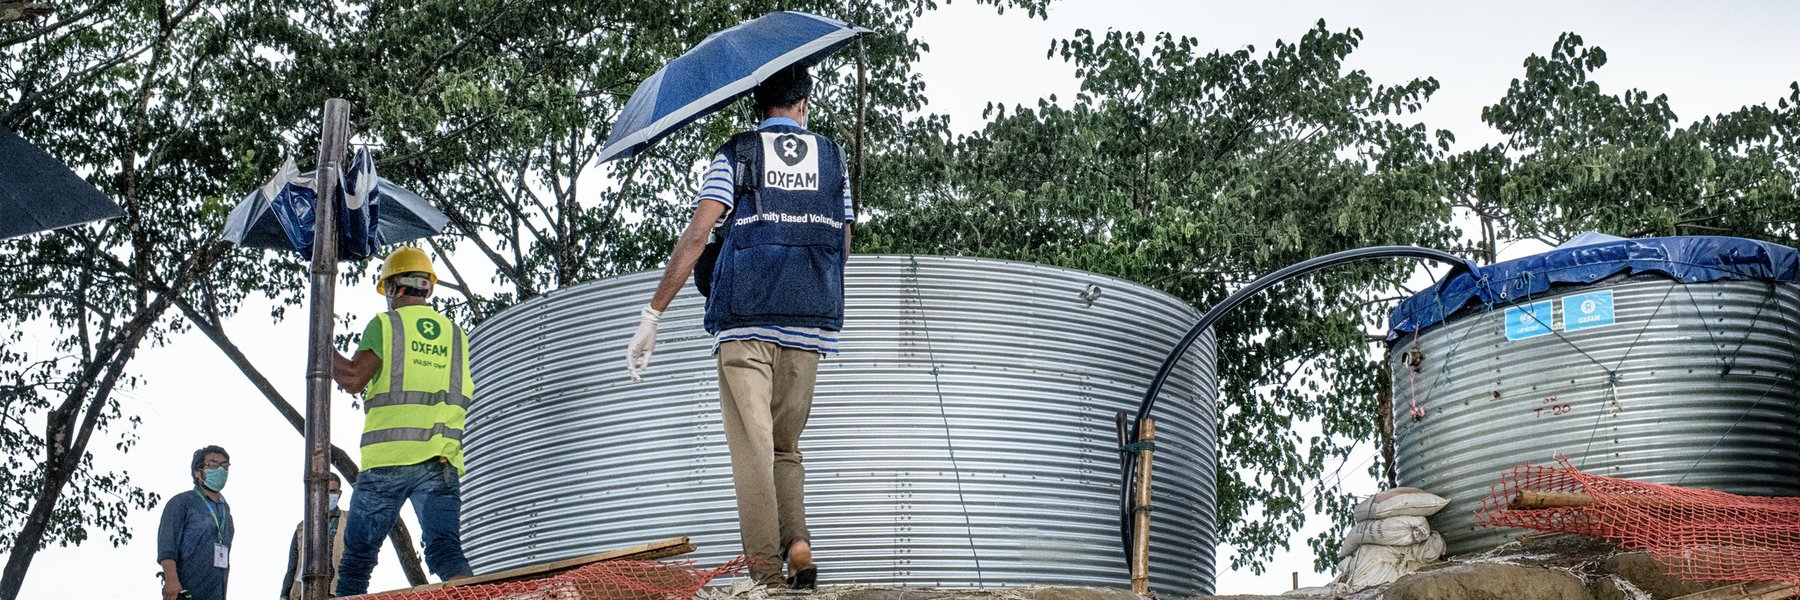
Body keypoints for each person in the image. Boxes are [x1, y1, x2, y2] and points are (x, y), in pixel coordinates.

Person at [625, 65, 853, 589]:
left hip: (745, 323)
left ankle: (767, 578)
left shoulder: (736, 154)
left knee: (752, 451)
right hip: (809, 322)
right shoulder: (832, 156)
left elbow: (699, 233)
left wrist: (652, 314)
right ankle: (797, 543)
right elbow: (841, 245)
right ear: (803, 103)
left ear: (758, 105)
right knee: (784, 448)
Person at [330, 246, 475, 596]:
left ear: (394, 288)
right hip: (439, 463)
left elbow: (353, 379)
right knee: (445, 551)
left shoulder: (386, 325)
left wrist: (321, 346)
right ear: (427, 287)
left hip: (388, 463)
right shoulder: (456, 335)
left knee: (358, 560)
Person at [156, 445, 234, 600]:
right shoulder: (182, 502)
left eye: (224, 466)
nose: (220, 470)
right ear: (198, 472)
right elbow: (167, 547)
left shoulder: (226, 512)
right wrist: (171, 581)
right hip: (185, 593)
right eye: (212, 464)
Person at [279, 473, 347, 600]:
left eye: (333, 491)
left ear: (339, 493)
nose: (328, 495)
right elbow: (293, 565)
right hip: (304, 594)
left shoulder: (349, 521)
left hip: (336, 594)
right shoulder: (302, 527)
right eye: (325, 491)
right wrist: (284, 595)